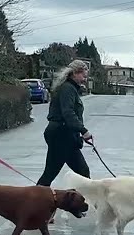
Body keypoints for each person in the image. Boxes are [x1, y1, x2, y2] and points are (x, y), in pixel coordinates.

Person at [38, 59, 94, 188]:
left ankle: (34, 201)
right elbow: (68, 113)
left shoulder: (68, 88)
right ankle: (85, 202)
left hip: (62, 135)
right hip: (62, 135)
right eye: (83, 76)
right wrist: (83, 131)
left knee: (52, 173)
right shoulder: (68, 89)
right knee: (81, 172)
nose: (85, 79)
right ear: (74, 73)